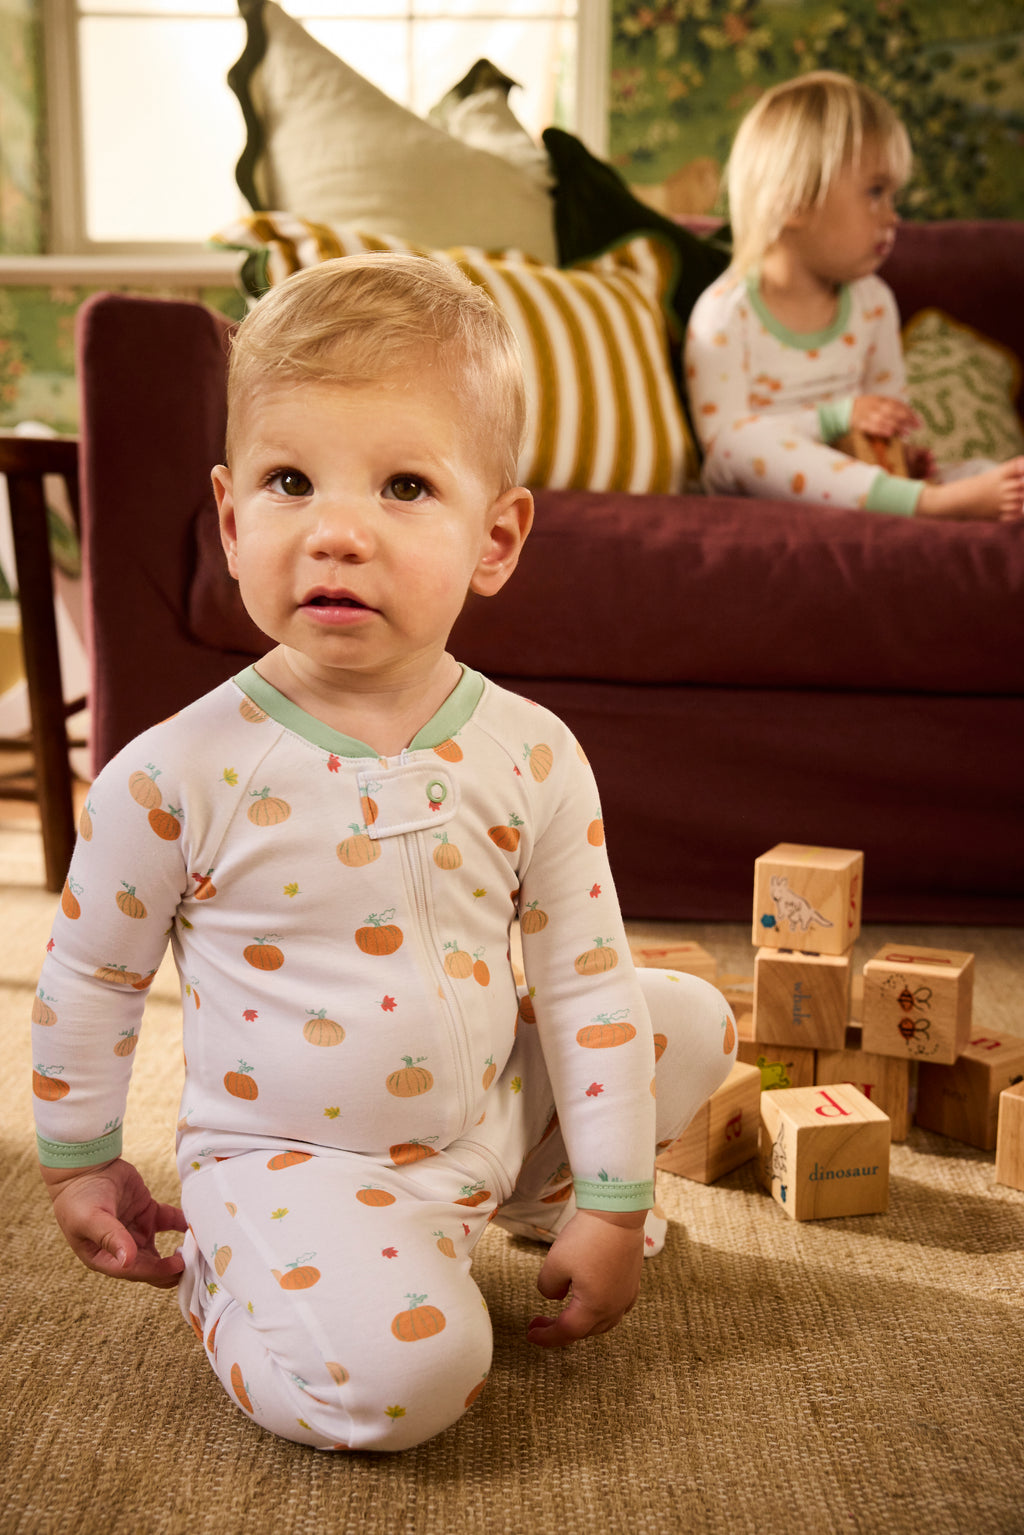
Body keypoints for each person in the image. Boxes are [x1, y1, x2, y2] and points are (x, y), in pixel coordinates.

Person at [32, 253, 737, 1453]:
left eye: (405, 484)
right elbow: (91, 978)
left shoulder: (534, 751)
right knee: (415, 1381)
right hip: (290, 1154)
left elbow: (581, 975)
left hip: (482, 1118)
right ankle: (240, 1271)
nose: (338, 532)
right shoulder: (172, 770)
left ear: (495, 536)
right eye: (292, 480)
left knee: (687, 1017)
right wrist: (82, 1161)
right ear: (231, 516)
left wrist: (618, 1198)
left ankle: (532, 1199)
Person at [685, 70, 1024, 521]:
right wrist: (835, 420)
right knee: (736, 445)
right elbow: (721, 441)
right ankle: (928, 506)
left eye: (892, 196)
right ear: (795, 203)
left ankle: (916, 496)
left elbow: (885, 412)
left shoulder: (873, 302)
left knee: (983, 471)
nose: (893, 216)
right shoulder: (725, 314)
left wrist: (899, 456)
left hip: (860, 481)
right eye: (875, 193)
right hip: (763, 487)